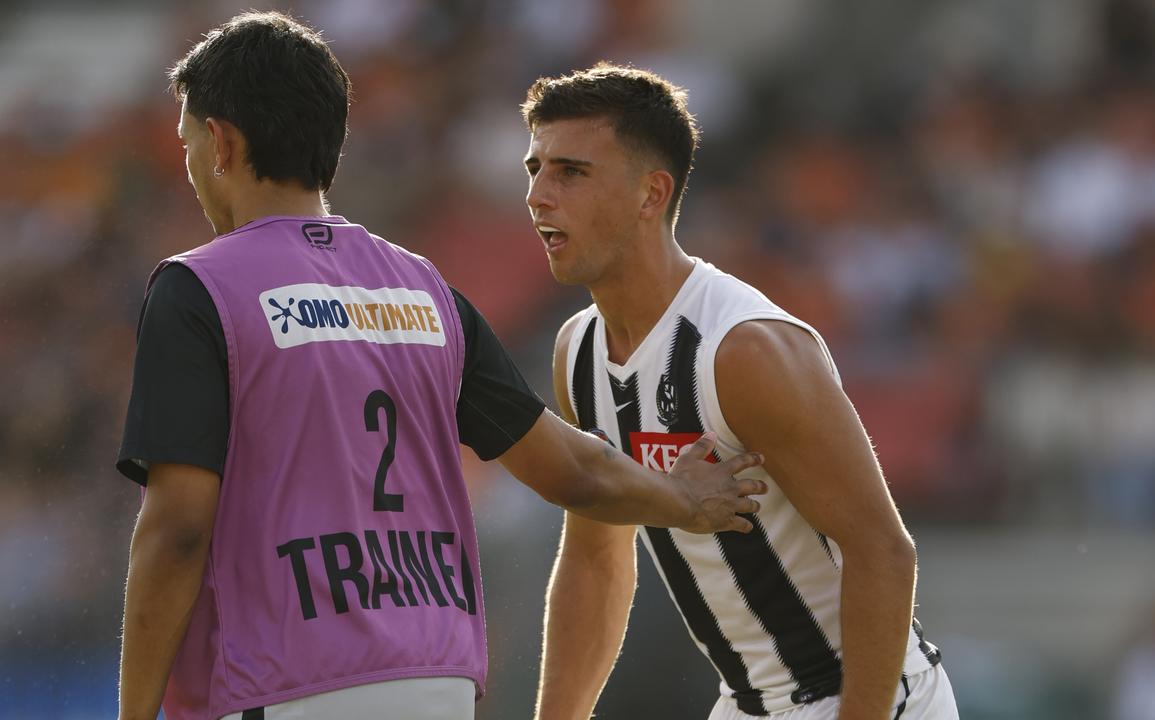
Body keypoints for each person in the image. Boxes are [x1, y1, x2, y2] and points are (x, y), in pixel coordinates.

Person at [115, 15, 766, 720]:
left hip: (282, 682)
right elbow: (569, 469)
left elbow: (178, 528)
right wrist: (683, 498)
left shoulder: (199, 289)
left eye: (187, 143)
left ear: (221, 143)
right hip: (437, 679)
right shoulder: (423, 289)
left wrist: (134, 713)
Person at [523, 64, 958, 720]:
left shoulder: (743, 350)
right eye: (534, 168)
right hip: (746, 704)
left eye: (571, 172)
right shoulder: (577, 352)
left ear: (651, 194)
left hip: (863, 699)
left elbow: (882, 550)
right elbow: (595, 562)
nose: (537, 196)